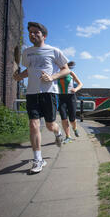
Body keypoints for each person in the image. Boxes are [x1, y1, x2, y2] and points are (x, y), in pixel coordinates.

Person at [13, 22, 70, 174]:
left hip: (49, 93)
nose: (32, 34)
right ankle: (38, 159)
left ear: (43, 35)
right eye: (30, 32)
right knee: (33, 125)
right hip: (32, 94)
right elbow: (29, 70)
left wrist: (52, 77)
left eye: (36, 32)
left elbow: (66, 69)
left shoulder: (54, 51)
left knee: (50, 126)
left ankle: (58, 133)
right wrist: (19, 76)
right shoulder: (27, 52)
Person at [57, 61, 83, 144]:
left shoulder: (71, 73)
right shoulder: (57, 74)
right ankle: (68, 136)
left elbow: (80, 84)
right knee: (63, 118)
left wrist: (75, 89)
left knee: (72, 118)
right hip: (61, 97)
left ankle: (75, 129)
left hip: (71, 97)